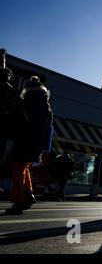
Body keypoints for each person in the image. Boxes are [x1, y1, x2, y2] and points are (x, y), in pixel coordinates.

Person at [5, 76, 53, 215]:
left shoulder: (25, 103)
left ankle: (18, 201)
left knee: (18, 169)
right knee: (23, 167)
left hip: (23, 140)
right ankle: (28, 194)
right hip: (36, 144)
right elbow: (49, 127)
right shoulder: (47, 107)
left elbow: (16, 123)